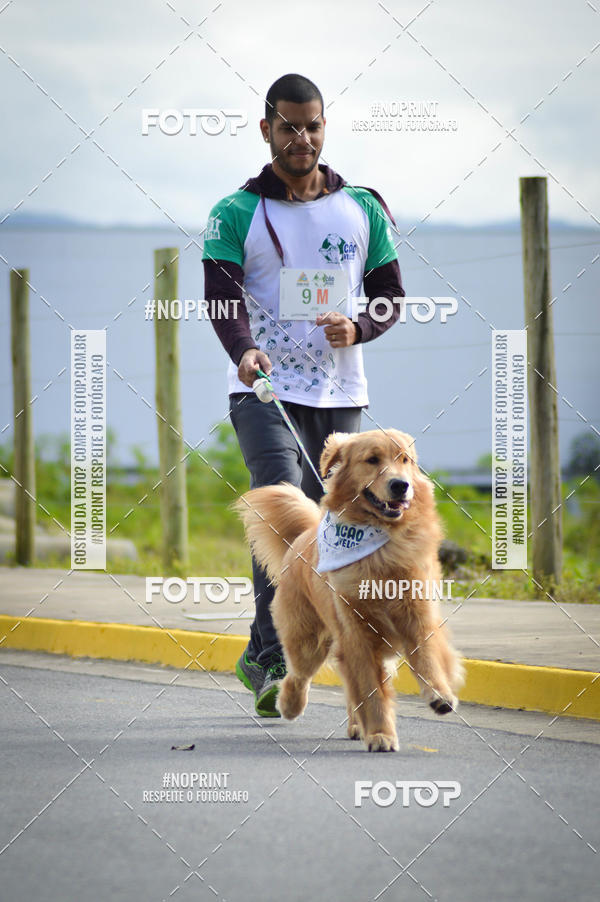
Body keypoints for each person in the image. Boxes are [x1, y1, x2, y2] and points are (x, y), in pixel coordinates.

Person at [202, 73, 404, 716]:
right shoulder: (234, 212)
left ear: (325, 127)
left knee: (341, 526)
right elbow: (221, 297)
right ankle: (271, 658)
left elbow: (390, 295)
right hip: (264, 389)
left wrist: (360, 325)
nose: (302, 137)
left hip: (340, 390)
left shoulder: (363, 207)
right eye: (288, 126)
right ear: (266, 130)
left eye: (313, 125)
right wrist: (243, 351)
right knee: (283, 510)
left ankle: (315, 650)